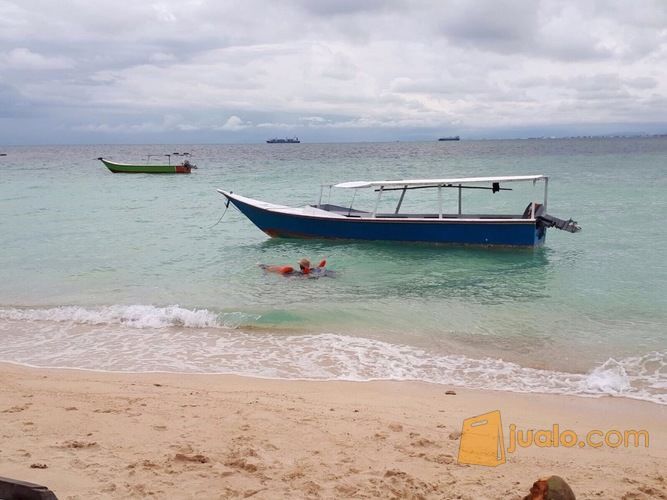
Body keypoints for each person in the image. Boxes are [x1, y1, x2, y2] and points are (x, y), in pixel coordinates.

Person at [259, 258, 327, 276]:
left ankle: (318, 268)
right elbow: (324, 261)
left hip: (298, 273)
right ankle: (318, 267)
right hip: (306, 272)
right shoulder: (310, 269)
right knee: (316, 269)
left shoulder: (295, 272)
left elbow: (284, 270)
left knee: (288, 270)